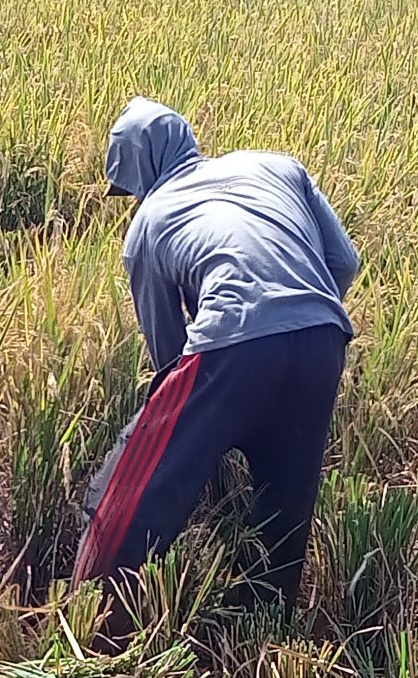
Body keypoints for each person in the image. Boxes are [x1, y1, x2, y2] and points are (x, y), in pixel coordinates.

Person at [75, 97, 359, 616]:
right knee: (284, 500)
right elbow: (344, 262)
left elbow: (168, 356)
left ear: (140, 170)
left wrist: (208, 415)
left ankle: (92, 624)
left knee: (135, 491)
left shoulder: (148, 225)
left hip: (233, 343)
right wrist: (295, 317)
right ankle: (264, 630)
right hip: (324, 335)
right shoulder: (275, 166)